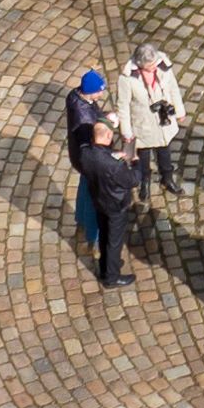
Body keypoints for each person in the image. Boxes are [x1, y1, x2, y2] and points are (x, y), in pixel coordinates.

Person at [116, 43, 185, 201]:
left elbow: (173, 88)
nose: (155, 67)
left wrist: (179, 110)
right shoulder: (127, 78)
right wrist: (126, 131)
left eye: (155, 64)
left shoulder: (163, 66)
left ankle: (167, 179)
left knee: (165, 154)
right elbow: (123, 106)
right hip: (142, 124)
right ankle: (144, 182)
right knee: (143, 158)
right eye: (150, 66)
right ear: (140, 64)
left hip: (163, 121)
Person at [76, 123, 139, 288]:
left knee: (104, 235)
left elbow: (101, 161)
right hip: (115, 205)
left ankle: (106, 265)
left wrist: (113, 155)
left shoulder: (86, 153)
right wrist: (135, 163)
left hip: (99, 201)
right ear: (109, 136)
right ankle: (111, 277)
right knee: (114, 240)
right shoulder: (114, 166)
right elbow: (132, 180)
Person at [65, 69, 110, 255]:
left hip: (79, 159)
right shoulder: (83, 118)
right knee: (93, 198)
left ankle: (81, 220)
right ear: (90, 91)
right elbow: (90, 144)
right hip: (87, 161)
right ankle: (92, 237)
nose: (101, 94)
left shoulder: (76, 96)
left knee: (84, 189)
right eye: (99, 90)